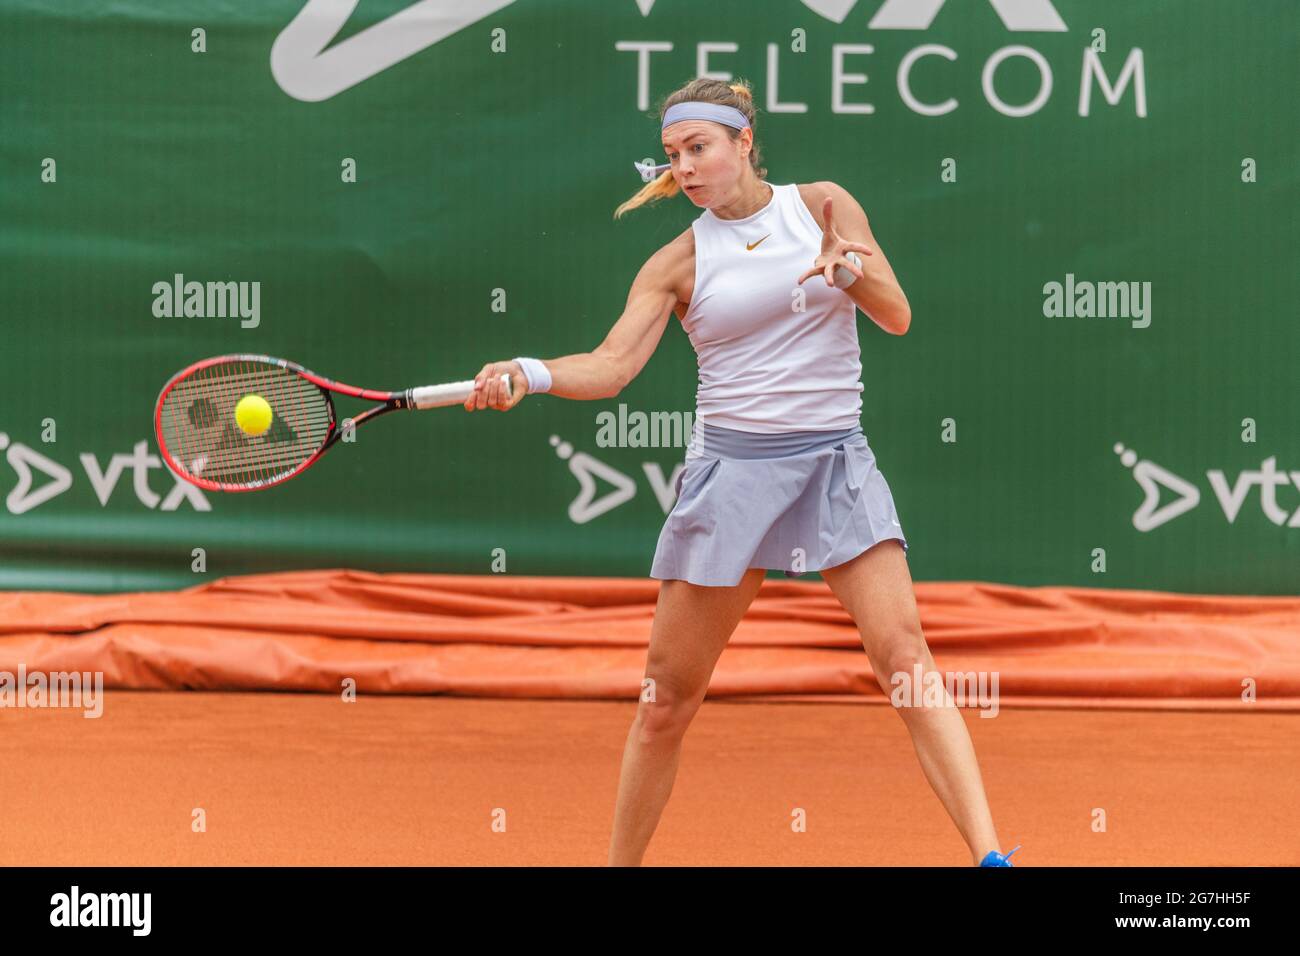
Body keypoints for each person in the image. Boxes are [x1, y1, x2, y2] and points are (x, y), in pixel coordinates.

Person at [465, 77, 1019, 868]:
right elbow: (612, 366)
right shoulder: (677, 262)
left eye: (699, 148)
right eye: (672, 155)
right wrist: (530, 371)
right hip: (732, 477)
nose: (685, 167)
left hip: (834, 465)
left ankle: (992, 858)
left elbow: (896, 314)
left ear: (743, 142)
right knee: (666, 703)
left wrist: (848, 272)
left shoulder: (825, 205)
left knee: (907, 664)